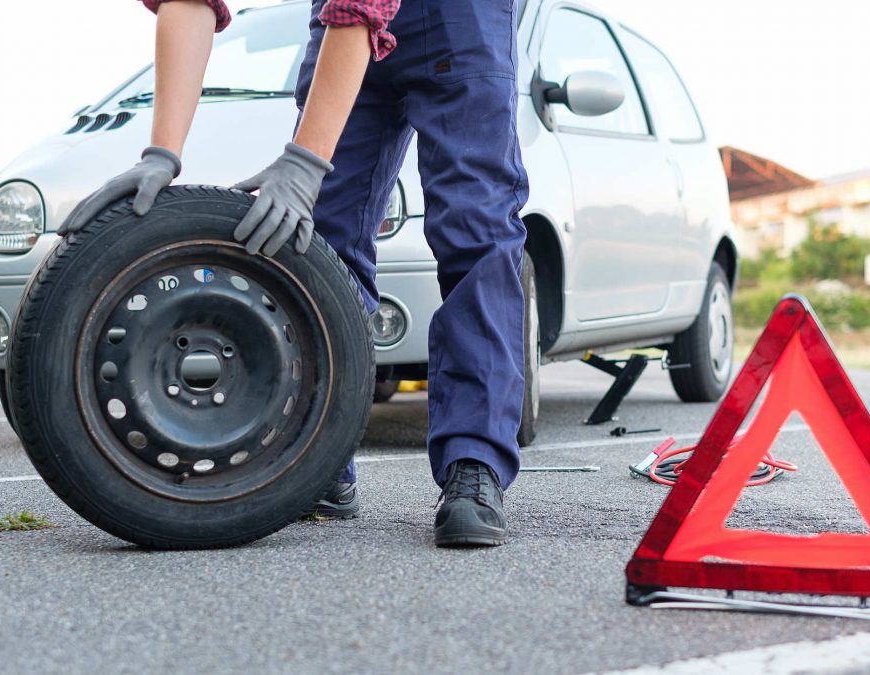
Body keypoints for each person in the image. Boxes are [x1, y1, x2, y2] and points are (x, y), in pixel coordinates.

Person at [59, 0, 529, 547]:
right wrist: (162, 151)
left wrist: (304, 162)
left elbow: (361, 7)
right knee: (321, 235)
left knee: (475, 231)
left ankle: (475, 462)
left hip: (460, 20)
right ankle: (319, 455)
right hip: (342, 22)